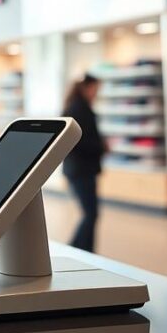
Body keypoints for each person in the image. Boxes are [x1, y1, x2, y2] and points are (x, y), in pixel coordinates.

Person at [61, 74, 104, 253]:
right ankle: (78, 250)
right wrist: (101, 146)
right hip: (82, 169)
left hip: (77, 169)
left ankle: (81, 250)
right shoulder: (80, 110)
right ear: (87, 87)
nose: (97, 93)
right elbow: (79, 142)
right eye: (95, 89)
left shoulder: (74, 108)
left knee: (90, 213)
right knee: (91, 213)